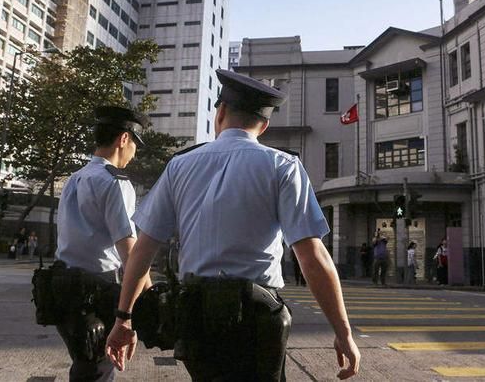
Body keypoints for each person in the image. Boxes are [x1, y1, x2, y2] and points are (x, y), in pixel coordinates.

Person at [106, 69, 360, 380]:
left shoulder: (180, 165)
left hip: (195, 319)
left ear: (221, 112)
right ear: (264, 125)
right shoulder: (283, 166)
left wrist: (123, 319)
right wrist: (343, 332)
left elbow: (142, 251)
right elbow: (312, 257)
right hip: (257, 320)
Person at [54, 105, 148, 382]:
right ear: (123, 139)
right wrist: (146, 298)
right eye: (136, 146)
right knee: (98, 369)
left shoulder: (75, 178)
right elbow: (131, 252)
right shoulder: (114, 182)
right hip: (98, 291)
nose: (134, 154)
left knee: (84, 366)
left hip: (64, 287)